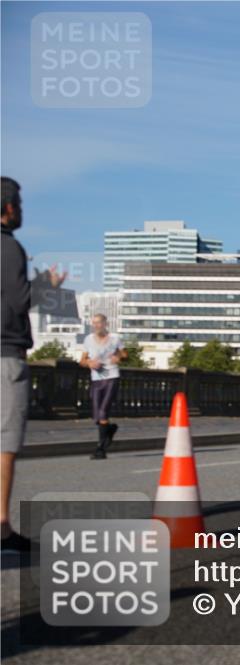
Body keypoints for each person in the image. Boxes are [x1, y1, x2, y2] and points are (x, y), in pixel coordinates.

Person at [2, 177, 65, 552]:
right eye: (20, 204)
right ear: (8, 207)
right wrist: (48, 284)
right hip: (5, 356)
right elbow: (21, 299)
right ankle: (1, 528)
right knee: (4, 444)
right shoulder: (8, 248)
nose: (22, 210)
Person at [79, 314, 127, 459]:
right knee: (96, 415)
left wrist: (118, 357)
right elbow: (82, 360)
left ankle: (101, 449)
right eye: (94, 323)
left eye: (99, 322)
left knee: (103, 411)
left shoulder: (115, 338)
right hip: (96, 379)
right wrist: (89, 363)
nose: (96, 325)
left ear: (105, 323)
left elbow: (125, 354)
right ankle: (110, 430)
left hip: (111, 377)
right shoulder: (88, 339)